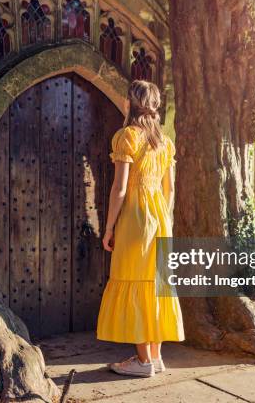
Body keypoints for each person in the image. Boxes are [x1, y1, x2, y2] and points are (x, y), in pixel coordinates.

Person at [97, 80, 185, 378]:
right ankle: (156, 358)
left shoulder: (126, 137)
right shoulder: (165, 143)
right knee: (156, 286)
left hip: (136, 219)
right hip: (161, 218)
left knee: (135, 281)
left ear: (129, 104)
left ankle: (143, 361)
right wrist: (166, 220)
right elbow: (170, 190)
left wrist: (108, 228)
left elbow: (119, 189)